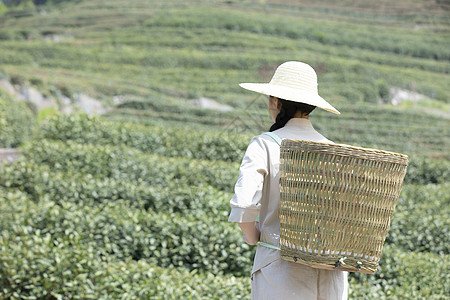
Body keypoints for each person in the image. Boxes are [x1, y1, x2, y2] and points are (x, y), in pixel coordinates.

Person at [228, 61, 348, 299]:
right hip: (331, 278)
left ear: (276, 102)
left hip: (281, 276)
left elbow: (244, 204)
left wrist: (254, 236)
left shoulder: (265, 144)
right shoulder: (335, 151)